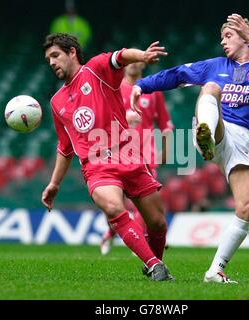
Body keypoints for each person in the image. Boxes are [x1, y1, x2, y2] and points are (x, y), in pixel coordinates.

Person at [131, 14, 249, 283]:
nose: (223, 42)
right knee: (211, 88)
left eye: (229, 36)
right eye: (222, 37)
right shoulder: (215, 66)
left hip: (244, 140)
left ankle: (215, 271)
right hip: (217, 128)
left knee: (246, 207)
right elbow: (178, 74)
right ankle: (206, 136)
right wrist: (141, 85)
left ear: (245, 35)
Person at [42, 33, 174, 281]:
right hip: (96, 165)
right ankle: (155, 265)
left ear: (72, 52)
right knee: (114, 207)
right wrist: (54, 184)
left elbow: (122, 55)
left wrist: (143, 55)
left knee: (157, 224)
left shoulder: (95, 69)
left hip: (128, 153)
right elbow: (64, 147)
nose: (51, 62)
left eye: (55, 55)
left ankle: (155, 265)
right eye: (48, 59)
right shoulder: (56, 102)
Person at [100, 61, 174, 255]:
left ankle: (140, 241)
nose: (132, 65)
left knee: (145, 200)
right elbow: (104, 119)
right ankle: (110, 233)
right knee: (117, 203)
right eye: (129, 61)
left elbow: (165, 124)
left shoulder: (153, 92)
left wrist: (165, 151)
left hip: (145, 153)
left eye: (136, 61)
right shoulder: (114, 89)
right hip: (119, 151)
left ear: (143, 64)